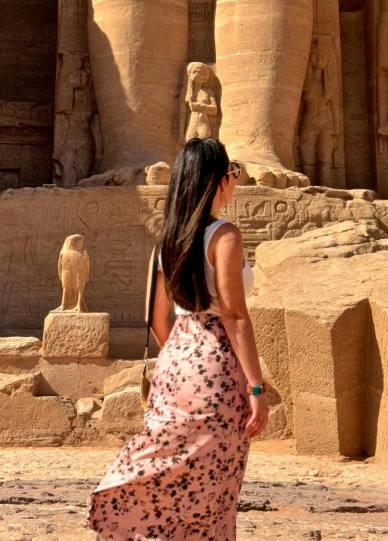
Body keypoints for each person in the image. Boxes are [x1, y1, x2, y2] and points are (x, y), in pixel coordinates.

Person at [86, 137, 268, 540]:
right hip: (217, 365)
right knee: (213, 482)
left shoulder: (167, 241)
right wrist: (256, 387)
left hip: (176, 362)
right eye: (232, 173)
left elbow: (156, 318)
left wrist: (182, 358)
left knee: (167, 468)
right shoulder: (224, 236)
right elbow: (235, 315)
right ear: (217, 180)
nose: (235, 181)